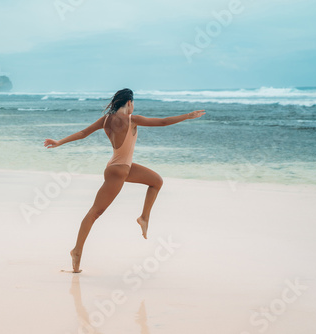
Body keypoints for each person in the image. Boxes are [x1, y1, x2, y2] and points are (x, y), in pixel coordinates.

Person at [44, 88, 205, 273]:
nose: (133, 107)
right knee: (95, 212)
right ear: (129, 103)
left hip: (120, 167)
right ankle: (77, 251)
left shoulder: (105, 120)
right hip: (119, 171)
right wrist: (188, 115)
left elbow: (82, 133)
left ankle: (144, 217)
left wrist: (59, 142)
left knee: (156, 181)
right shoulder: (132, 119)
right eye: (133, 103)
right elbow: (163, 122)